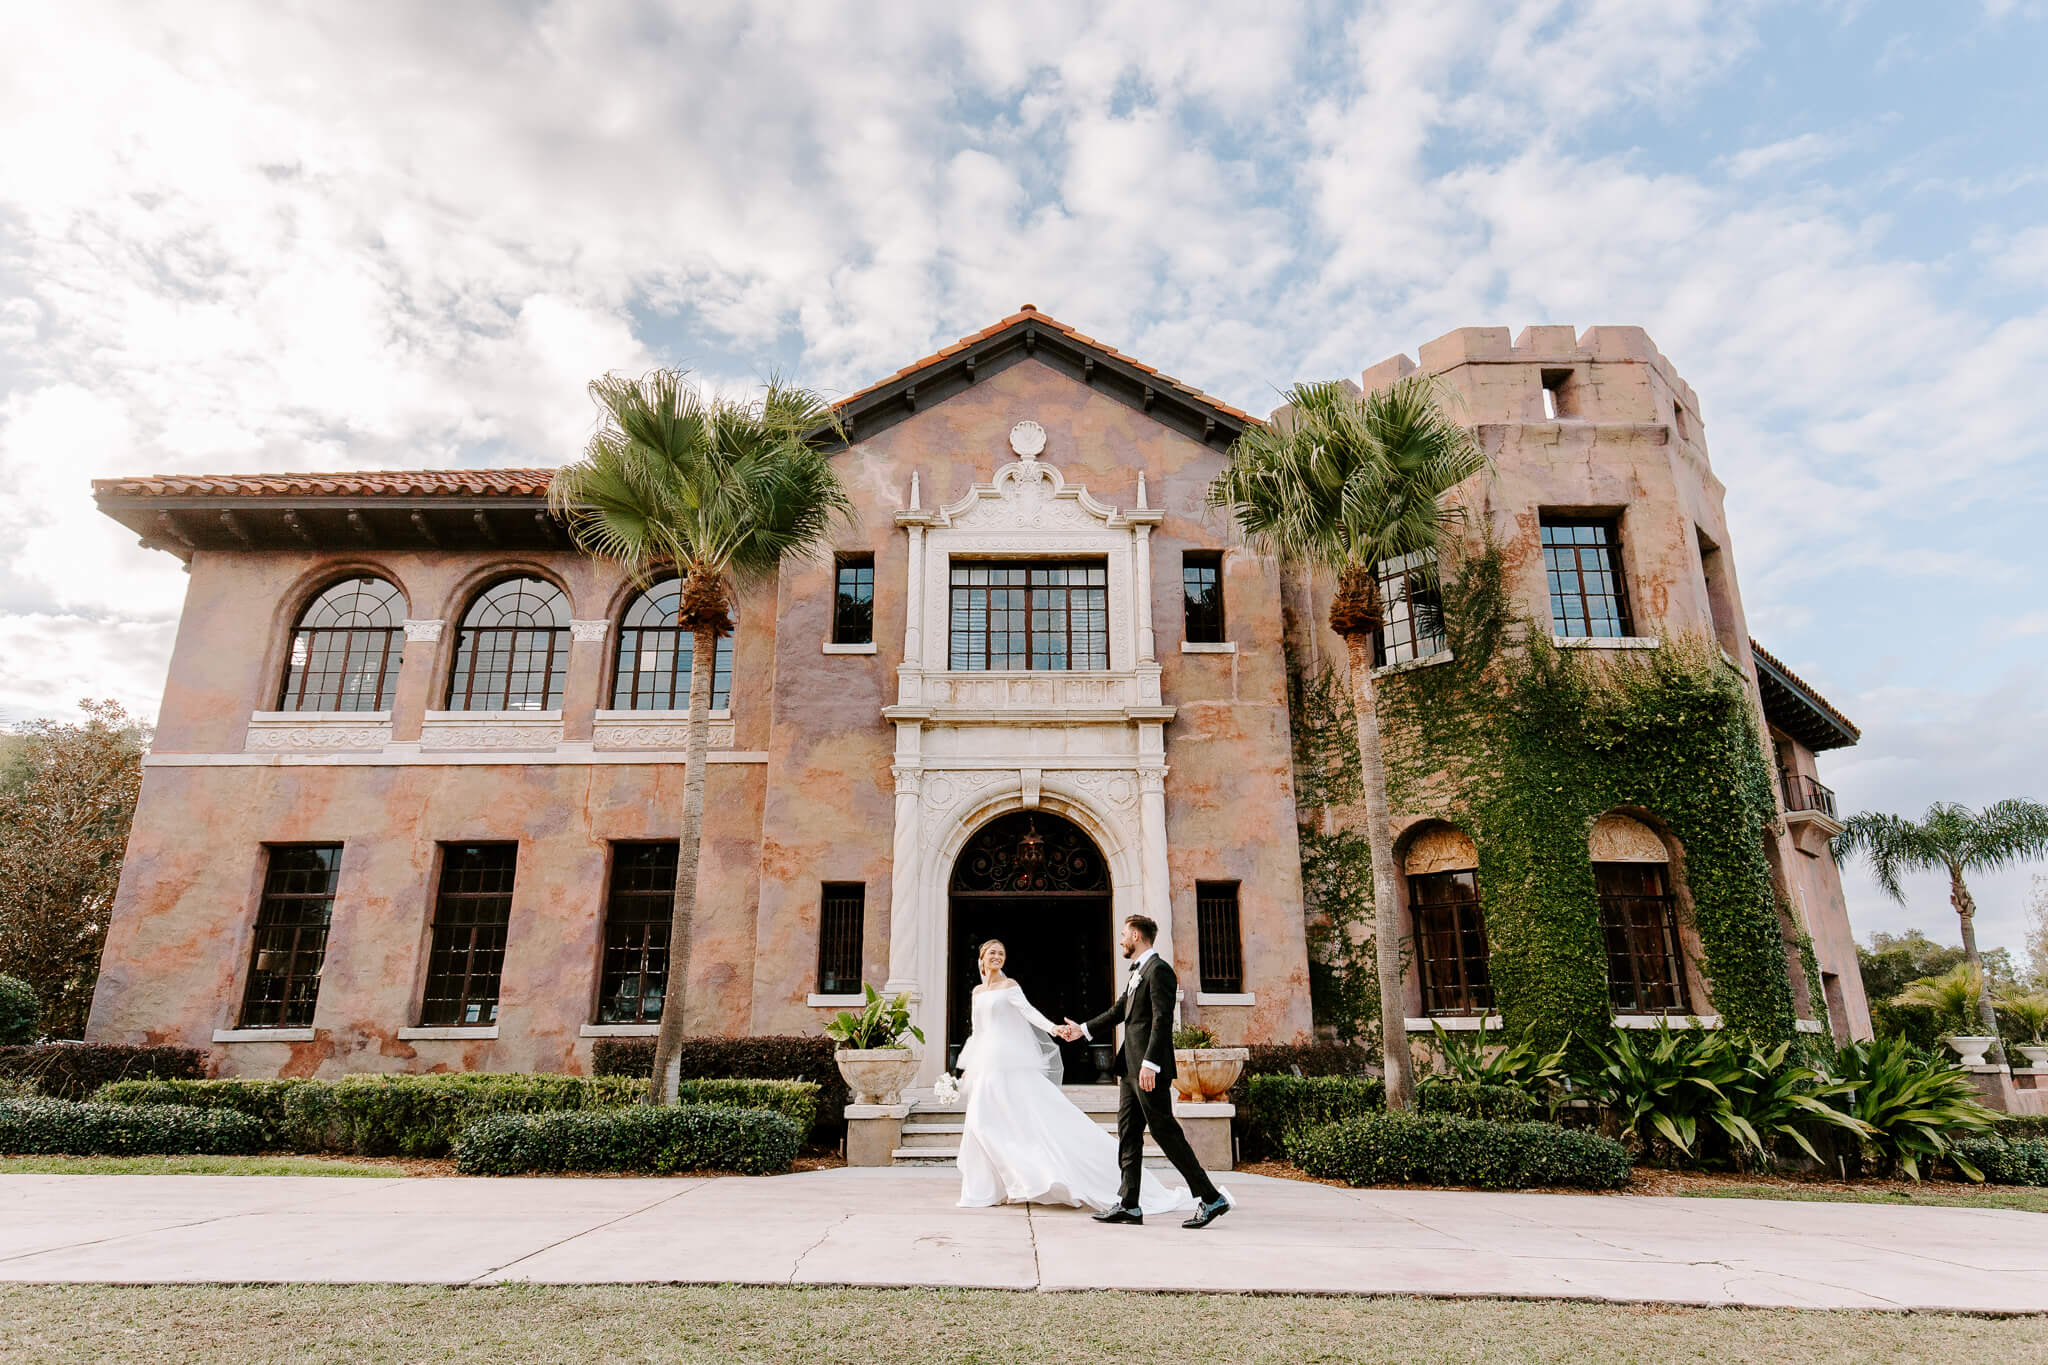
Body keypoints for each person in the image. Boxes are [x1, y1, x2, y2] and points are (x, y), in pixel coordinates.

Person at [954, 937, 1224, 1224]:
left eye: (1001, 953)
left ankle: (1175, 1197)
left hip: (1009, 1066)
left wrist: (1056, 1029)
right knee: (981, 1124)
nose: (997, 956)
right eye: (992, 953)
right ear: (981, 958)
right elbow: (978, 1031)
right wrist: (966, 1067)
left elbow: (1029, 1012)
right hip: (986, 1065)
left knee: (1019, 1124)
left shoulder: (1011, 987)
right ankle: (993, 1187)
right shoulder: (977, 991)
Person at [1056, 914, 1231, 1229]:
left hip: (1147, 1069)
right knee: (1128, 1133)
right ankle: (1129, 1204)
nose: (1121, 939)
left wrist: (1151, 1063)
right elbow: (1119, 1011)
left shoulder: (1159, 971)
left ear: (1136, 935)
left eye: (1124, 934)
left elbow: (1162, 1019)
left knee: (1165, 1132)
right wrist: (1082, 1030)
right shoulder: (1138, 972)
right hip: (1130, 1069)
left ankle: (1210, 1197)